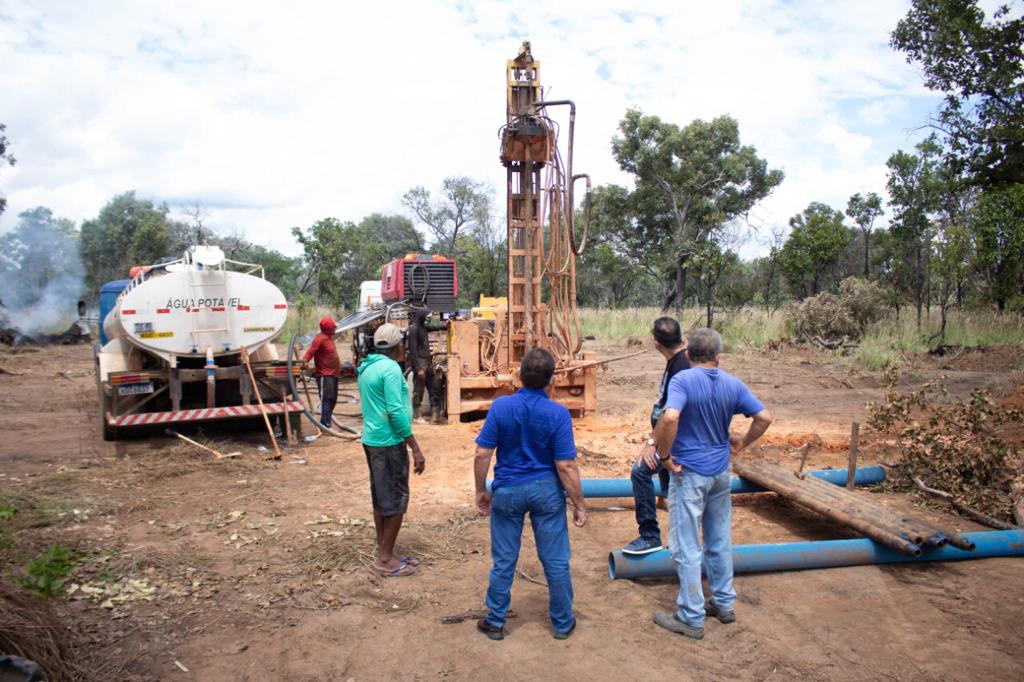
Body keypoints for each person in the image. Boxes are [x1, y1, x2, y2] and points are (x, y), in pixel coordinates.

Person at [652, 328, 773, 640]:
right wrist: (742, 443)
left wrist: (663, 454)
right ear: (719, 357)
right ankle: (723, 603)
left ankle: (691, 616)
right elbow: (764, 417)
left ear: (689, 355)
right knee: (719, 541)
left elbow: (669, 418)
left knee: (686, 546)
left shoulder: (683, 381)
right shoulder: (732, 383)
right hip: (720, 473)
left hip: (689, 473)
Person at [473, 348, 587, 641]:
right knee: (556, 560)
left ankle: (496, 621)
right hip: (546, 491)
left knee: (504, 560)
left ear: (519, 377)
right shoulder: (558, 414)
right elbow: (565, 465)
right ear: (552, 382)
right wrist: (579, 504)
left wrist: (480, 491)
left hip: (508, 491)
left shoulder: (501, 407)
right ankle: (562, 623)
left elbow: (483, 453)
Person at [357, 323, 427, 577]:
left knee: (381, 498)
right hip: (389, 442)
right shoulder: (390, 370)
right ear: (399, 346)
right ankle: (385, 560)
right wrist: (415, 448)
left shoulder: (367, 367)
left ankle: (384, 551)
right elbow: (395, 411)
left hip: (372, 440)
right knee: (396, 501)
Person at [621, 317, 690, 555]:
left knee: (640, 472)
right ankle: (680, 542)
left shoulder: (681, 366)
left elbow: (670, 414)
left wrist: (654, 444)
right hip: (670, 440)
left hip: (672, 442)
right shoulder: (678, 360)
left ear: (657, 342)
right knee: (673, 488)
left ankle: (650, 536)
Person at [406, 306, 446, 424]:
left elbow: (433, 327)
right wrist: (418, 369)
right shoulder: (414, 330)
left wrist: (445, 325)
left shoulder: (423, 327)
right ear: (421, 316)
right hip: (420, 364)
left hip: (428, 363)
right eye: (427, 316)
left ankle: (435, 417)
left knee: (434, 388)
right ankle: (417, 416)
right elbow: (412, 351)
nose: (428, 319)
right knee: (418, 390)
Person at [303, 316, 341, 430]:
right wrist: (303, 363)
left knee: (333, 399)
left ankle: (325, 420)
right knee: (327, 398)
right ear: (329, 327)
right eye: (333, 326)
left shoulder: (329, 338)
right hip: (325, 374)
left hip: (334, 373)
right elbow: (310, 352)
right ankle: (325, 424)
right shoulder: (319, 339)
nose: (335, 328)